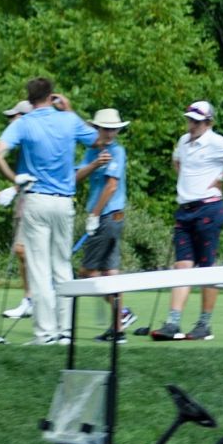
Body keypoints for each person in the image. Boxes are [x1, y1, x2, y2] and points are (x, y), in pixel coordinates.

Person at [0, 77, 98, 345]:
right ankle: (65, 333)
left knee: (39, 269)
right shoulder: (68, 120)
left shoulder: (24, 123)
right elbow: (95, 140)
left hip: (36, 200)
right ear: (52, 96)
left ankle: (45, 334)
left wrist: (14, 179)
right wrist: (69, 110)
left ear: (29, 99)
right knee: (62, 267)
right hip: (64, 202)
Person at [155, 100, 223, 341]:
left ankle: (204, 324)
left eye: (197, 122)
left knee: (207, 268)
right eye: (190, 120)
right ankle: (173, 323)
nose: (191, 125)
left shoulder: (216, 142)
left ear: (208, 123)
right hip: (185, 209)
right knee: (182, 267)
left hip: (209, 209)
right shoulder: (183, 141)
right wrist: (185, 181)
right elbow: (176, 161)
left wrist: (222, 175)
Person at [76, 108, 135, 340]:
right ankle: (118, 331)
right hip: (108, 216)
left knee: (87, 271)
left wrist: (94, 215)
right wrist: (93, 164)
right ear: (97, 129)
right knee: (110, 272)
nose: (110, 133)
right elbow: (76, 177)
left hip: (108, 216)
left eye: (113, 129)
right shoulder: (93, 152)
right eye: (105, 129)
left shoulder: (117, 151)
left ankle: (123, 313)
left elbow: (111, 186)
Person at [0, 99, 36, 320]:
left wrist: (11, 191)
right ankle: (29, 299)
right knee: (21, 253)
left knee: (22, 250)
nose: (11, 121)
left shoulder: (33, 142)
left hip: (35, 202)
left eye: (15, 116)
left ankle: (33, 299)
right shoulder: (24, 147)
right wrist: (8, 191)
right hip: (25, 199)